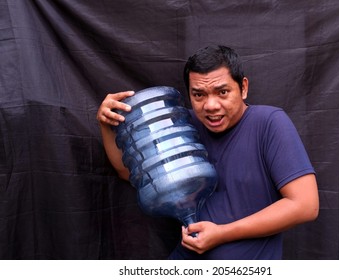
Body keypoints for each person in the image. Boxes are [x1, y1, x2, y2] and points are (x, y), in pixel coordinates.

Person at [96, 45, 319, 260]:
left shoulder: (269, 123)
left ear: (243, 88)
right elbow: (131, 173)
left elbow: (305, 205)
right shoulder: (182, 124)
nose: (211, 105)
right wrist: (107, 124)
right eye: (199, 95)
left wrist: (222, 233)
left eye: (222, 92)